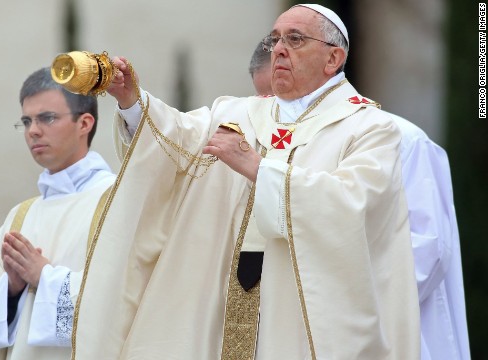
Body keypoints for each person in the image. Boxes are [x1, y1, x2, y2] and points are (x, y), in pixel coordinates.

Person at [71, 4, 420, 359]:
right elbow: (175, 142)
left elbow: (351, 206)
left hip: (295, 308)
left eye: (295, 39)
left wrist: (258, 168)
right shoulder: (236, 113)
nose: (279, 49)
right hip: (219, 293)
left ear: (334, 59)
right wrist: (132, 101)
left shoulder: (368, 128)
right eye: (275, 39)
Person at [249, 37, 471, 360]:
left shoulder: (401, 138)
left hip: (388, 333)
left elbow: (428, 249)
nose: (272, 108)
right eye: (264, 98)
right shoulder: (275, 147)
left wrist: (328, 294)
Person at [0, 67, 115, 359]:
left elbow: (127, 296)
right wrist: (11, 290)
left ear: (84, 123)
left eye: (47, 118)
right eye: (26, 121)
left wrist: (44, 276)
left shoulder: (117, 202)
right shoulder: (22, 215)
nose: (33, 130)